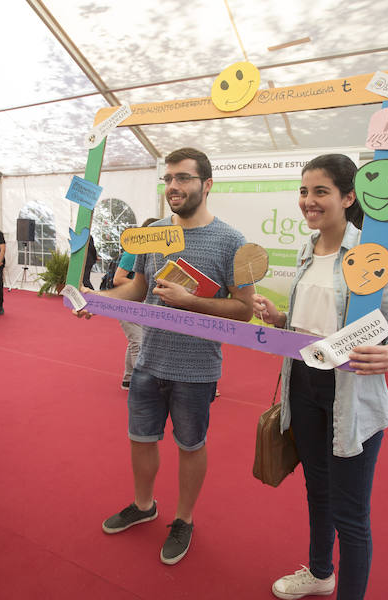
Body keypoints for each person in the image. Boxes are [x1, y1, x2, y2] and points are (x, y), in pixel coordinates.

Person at [75, 147, 254, 565]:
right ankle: (143, 505)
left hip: (197, 367)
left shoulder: (232, 241)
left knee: (191, 444)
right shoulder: (152, 232)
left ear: (207, 184)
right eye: (168, 178)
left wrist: (191, 301)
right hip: (148, 361)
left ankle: (184, 519)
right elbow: (137, 288)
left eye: (183, 178)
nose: (173, 186)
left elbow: (243, 309)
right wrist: (97, 300)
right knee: (141, 440)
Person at [252, 154, 388, 600]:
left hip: (353, 396)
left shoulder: (371, 255)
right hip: (303, 386)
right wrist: (282, 316)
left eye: (320, 191)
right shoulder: (308, 249)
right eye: (304, 191)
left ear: (349, 197)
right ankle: (322, 573)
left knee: (350, 513)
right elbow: (314, 324)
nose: (309, 200)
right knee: (317, 491)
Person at [115, 217, 158, 390]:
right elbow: (118, 278)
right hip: (127, 303)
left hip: (140, 304)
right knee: (139, 343)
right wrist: (143, 286)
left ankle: (128, 378)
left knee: (135, 340)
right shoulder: (133, 252)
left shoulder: (151, 252)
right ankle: (142, 384)